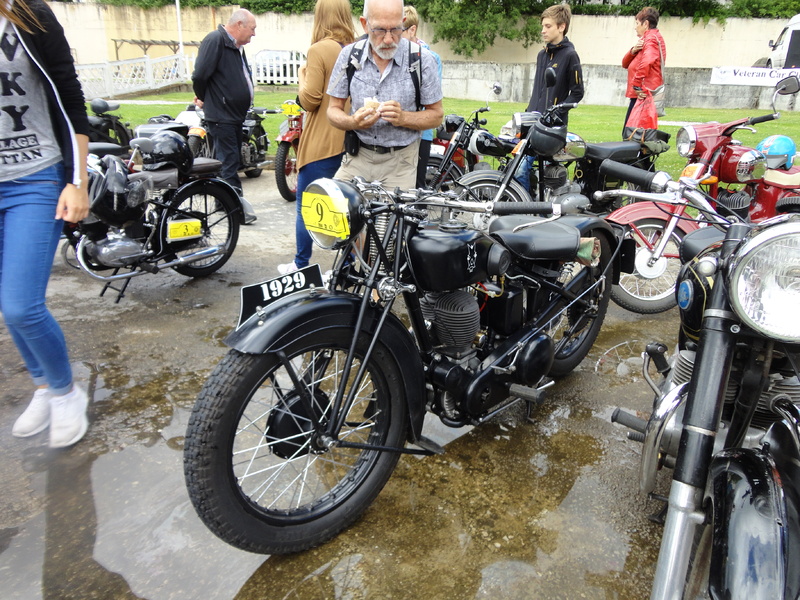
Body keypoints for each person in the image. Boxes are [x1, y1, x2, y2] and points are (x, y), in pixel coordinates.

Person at [1, 0, 91, 447]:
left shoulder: (30, 15)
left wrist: (77, 180)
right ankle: (42, 385)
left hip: (33, 176)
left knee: (21, 303)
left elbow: (70, 98)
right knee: (5, 302)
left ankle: (65, 391)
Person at [326, 0, 443, 191]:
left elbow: (437, 115)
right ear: (365, 24)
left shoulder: (422, 60)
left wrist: (404, 117)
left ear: (404, 22)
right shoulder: (349, 56)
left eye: (396, 30)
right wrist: (353, 122)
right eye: (380, 30)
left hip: (401, 162)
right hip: (357, 157)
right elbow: (333, 110)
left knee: (393, 220)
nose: (388, 39)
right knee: (334, 211)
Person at [277, 0, 357, 276]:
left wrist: (301, 75)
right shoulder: (353, 49)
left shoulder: (319, 49)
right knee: (344, 207)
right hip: (348, 141)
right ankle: (345, 267)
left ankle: (300, 264)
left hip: (321, 142)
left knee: (307, 205)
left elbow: (309, 100)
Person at [192, 9, 258, 224]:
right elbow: (200, 75)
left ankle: (222, 203)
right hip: (222, 115)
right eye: (252, 28)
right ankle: (235, 210)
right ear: (239, 24)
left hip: (232, 115)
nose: (254, 34)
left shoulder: (235, 45)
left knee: (228, 161)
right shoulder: (216, 40)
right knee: (229, 162)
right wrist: (204, 98)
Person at [515, 3, 584, 194]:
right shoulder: (541, 55)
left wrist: (557, 111)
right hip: (534, 123)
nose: (543, 30)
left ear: (561, 27)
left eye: (548, 26)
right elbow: (538, 89)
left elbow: (578, 92)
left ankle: (532, 208)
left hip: (553, 128)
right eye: (543, 26)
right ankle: (527, 204)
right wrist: (527, 115)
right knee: (517, 165)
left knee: (530, 169)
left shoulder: (570, 55)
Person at [401, 5, 443, 190]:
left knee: (416, 186)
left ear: (412, 30)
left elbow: (432, 99)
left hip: (421, 132)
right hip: (398, 132)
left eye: (399, 30)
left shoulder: (431, 59)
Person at [622, 6, 666, 132]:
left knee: (633, 134)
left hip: (642, 94)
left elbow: (648, 61)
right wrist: (633, 50)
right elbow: (625, 64)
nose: (635, 27)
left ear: (645, 24)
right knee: (633, 134)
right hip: (640, 93)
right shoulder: (647, 39)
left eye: (637, 23)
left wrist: (636, 85)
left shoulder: (651, 39)